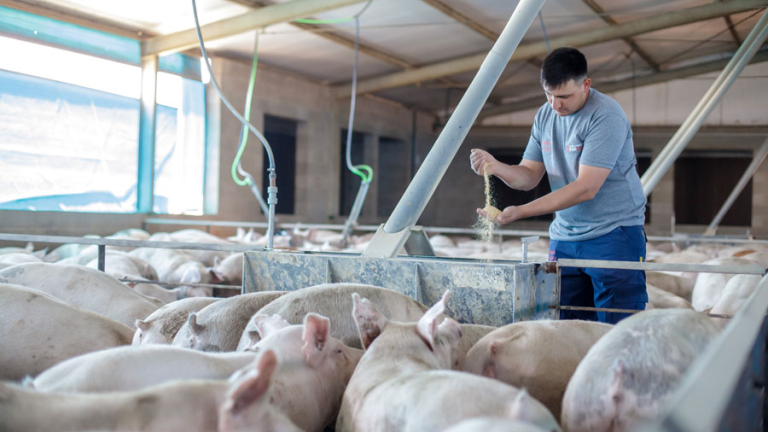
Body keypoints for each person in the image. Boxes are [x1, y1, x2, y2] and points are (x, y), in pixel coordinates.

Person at [469, 47, 647, 324]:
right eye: (548, 94)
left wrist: (521, 211)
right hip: (565, 237)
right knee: (566, 327)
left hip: (613, 233)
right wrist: (496, 167)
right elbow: (529, 175)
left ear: (586, 85)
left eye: (564, 96)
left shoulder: (606, 116)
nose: (555, 105)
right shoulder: (545, 115)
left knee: (616, 326)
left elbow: (586, 187)